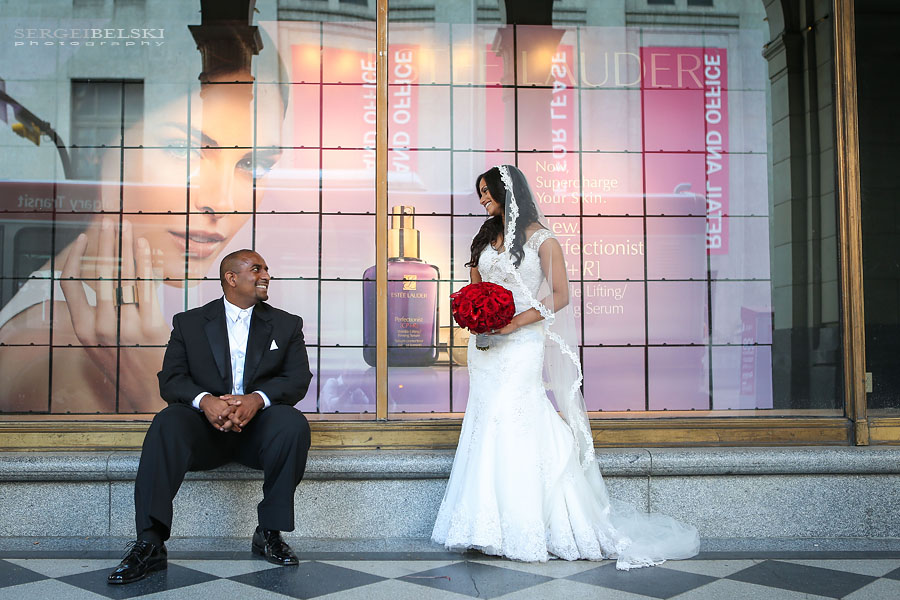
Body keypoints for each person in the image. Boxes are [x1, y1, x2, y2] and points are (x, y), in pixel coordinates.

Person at [0, 33, 287, 414]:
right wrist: (155, 387)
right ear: (105, 154)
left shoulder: (108, 315)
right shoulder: (67, 353)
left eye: (253, 164)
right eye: (182, 149)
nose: (221, 202)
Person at [431, 165, 700, 569]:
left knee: (515, 418)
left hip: (521, 343)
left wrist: (513, 322)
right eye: (480, 194)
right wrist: (475, 315)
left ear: (508, 191)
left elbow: (560, 295)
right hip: (485, 347)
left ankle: (529, 526)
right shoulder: (485, 237)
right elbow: (475, 287)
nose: (483, 199)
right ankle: (485, 528)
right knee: (484, 423)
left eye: (487, 192)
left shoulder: (543, 239)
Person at [106, 249, 312, 585]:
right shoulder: (189, 323)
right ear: (231, 278)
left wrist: (255, 400)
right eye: (256, 269)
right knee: (167, 421)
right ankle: (150, 542)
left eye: (267, 269)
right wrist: (206, 402)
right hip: (204, 433)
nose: (266, 275)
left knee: (292, 423)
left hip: (257, 433)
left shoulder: (287, 324)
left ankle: (269, 532)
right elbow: (171, 379)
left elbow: (297, 379)